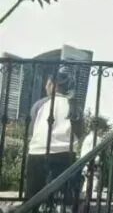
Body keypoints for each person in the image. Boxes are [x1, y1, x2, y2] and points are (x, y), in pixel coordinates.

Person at [25, 68, 79, 198]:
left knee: (33, 196)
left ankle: (32, 210)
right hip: (65, 154)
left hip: (38, 152)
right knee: (63, 196)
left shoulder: (40, 104)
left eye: (47, 83)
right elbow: (79, 132)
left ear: (52, 85)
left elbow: (31, 131)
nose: (46, 87)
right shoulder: (74, 106)